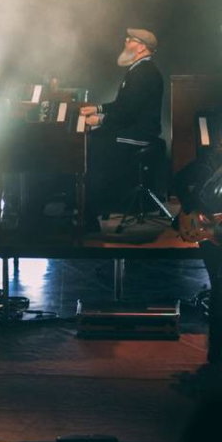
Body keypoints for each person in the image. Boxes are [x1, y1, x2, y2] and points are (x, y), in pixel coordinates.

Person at [80, 28, 164, 231]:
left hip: (142, 133)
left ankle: (90, 215)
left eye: (130, 40)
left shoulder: (144, 73)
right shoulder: (139, 69)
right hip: (135, 128)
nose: (125, 42)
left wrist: (99, 120)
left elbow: (128, 113)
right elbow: (123, 105)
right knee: (95, 139)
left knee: (95, 144)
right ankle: (90, 208)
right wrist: (98, 108)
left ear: (141, 47)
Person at [173, 147, 222, 364]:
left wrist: (211, 230)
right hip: (212, 240)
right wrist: (191, 209)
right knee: (218, 293)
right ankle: (216, 359)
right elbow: (180, 180)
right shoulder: (211, 159)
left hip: (214, 235)